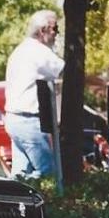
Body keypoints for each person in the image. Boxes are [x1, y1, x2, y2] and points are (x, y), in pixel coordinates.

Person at [4, 10, 65, 178]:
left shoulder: (20, 50)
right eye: (55, 29)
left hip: (14, 120)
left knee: (21, 176)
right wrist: (102, 82)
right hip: (28, 122)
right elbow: (66, 71)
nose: (56, 34)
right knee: (48, 174)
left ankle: (14, 203)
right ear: (42, 30)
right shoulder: (38, 52)